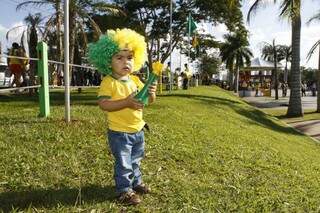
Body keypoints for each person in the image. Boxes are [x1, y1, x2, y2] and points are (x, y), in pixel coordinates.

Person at [88, 28, 157, 205]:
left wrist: (151, 93)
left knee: (136, 160)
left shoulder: (135, 80)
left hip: (138, 129)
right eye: (119, 57)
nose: (125, 62)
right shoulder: (108, 82)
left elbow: (147, 101)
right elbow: (104, 104)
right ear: (107, 60)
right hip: (119, 133)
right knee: (124, 162)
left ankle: (136, 182)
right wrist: (126, 102)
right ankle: (125, 191)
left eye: (130, 57)